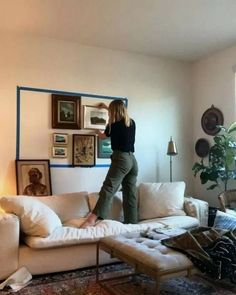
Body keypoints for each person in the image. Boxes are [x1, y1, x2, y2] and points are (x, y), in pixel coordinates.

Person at [81, 99, 138, 228]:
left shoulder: (113, 124)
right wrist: (107, 107)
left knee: (108, 188)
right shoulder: (132, 122)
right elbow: (119, 114)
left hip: (121, 159)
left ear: (113, 111)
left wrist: (96, 132)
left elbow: (103, 136)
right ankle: (132, 224)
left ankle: (91, 220)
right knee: (130, 192)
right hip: (132, 161)